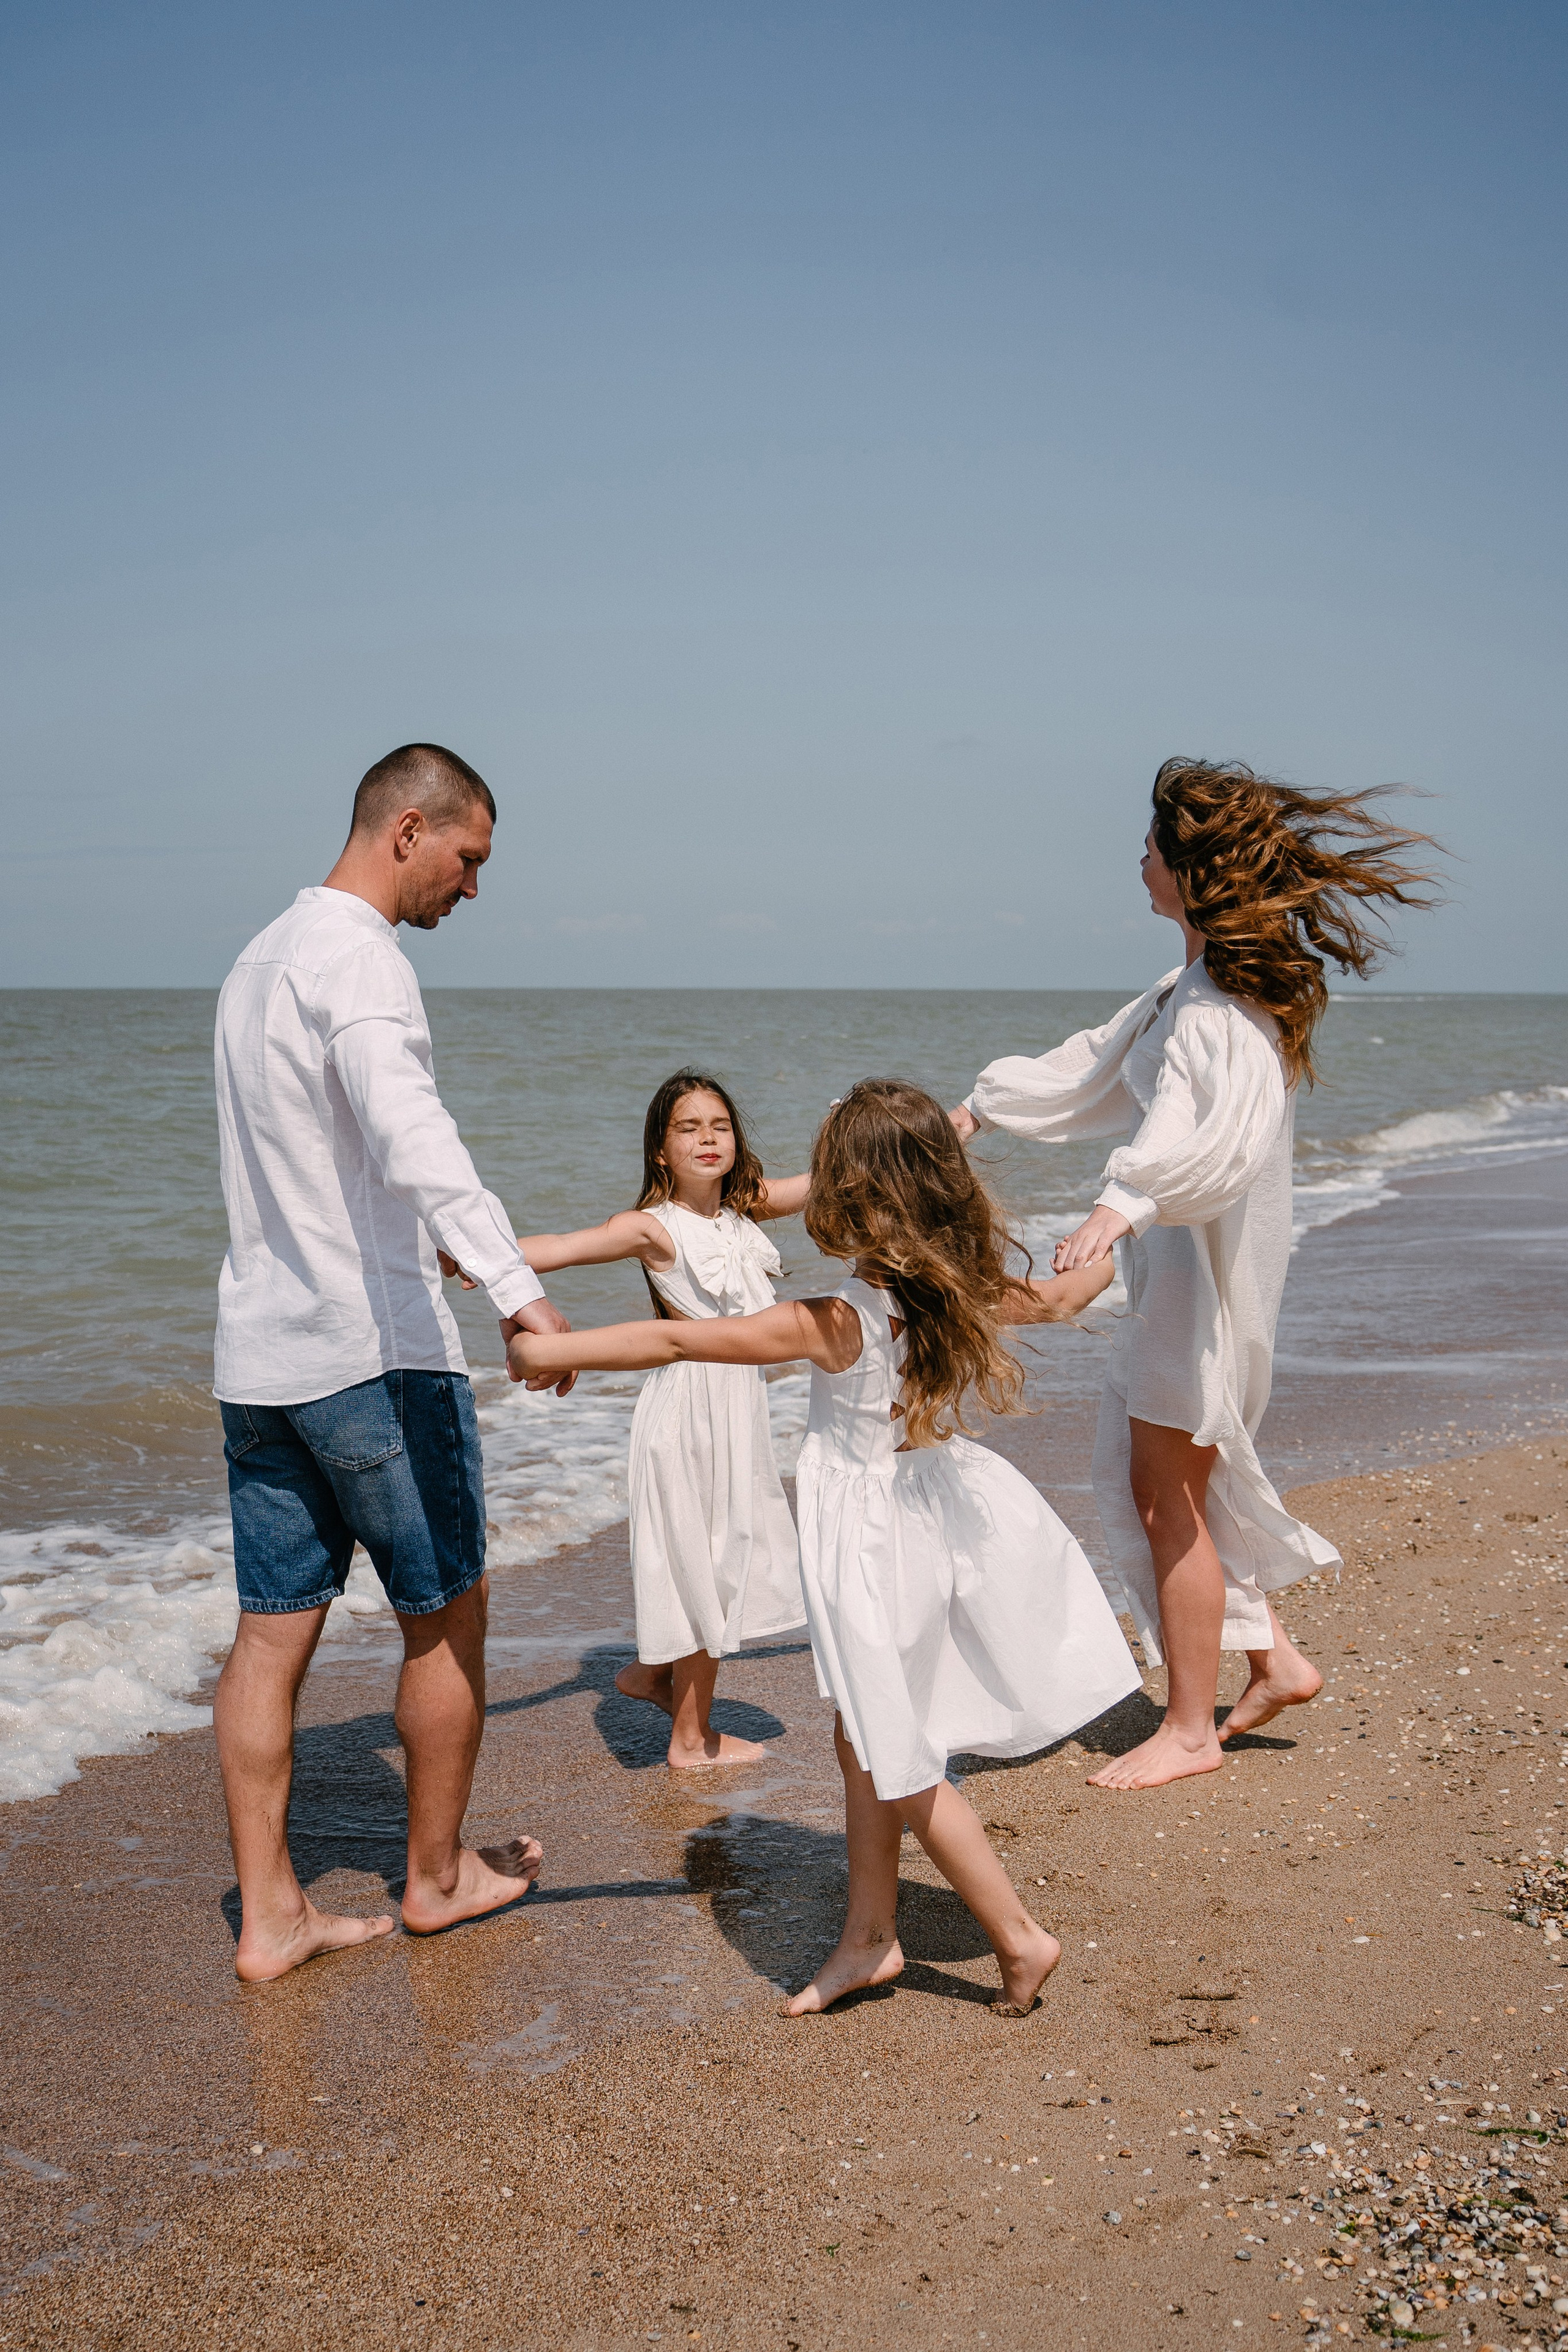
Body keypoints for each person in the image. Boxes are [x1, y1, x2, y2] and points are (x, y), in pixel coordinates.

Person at [506, 1079, 1141, 2016]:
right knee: (863, 1737)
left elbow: (678, 1340)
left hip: (870, 1542)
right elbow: (1060, 1296)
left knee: (896, 1749)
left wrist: (548, 1355)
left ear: (859, 1195)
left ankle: (1017, 1936)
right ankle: (869, 1940)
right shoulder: (950, 1290)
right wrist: (1104, 1249)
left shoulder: (838, 1318)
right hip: (934, 1515)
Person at [953, 758, 1441, 1791]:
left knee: (1164, 1492)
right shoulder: (1186, 989)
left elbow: (1193, 1137)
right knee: (1178, 1485)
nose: (1137, 859)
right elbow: (1098, 1060)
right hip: (1176, 1276)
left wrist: (1114, 1206)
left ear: (1188, 872)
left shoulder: (1219, 1012)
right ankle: (1276, 1662)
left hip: (1197, 1289)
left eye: (1151, 848)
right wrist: (979, 1108)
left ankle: (1187, 1727)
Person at [211, 743, 575, 1981]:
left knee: (270, 1636)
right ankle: (435, 1879)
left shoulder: (255, 962)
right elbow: (411, 1130)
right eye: (468, 860)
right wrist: (521, 1293)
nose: (471, 889)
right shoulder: (365, 960)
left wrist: (437, 1240)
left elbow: (322, 1157)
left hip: (260, 1360)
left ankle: (272, 1918)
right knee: (445, 1617)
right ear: (408, 829)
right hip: (373, 1358)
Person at [516, 1069, 810, 1768]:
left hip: (738, 1410)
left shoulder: (746, 1212)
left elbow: (839, 1176)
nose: (707, 1139)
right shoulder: (652, 1228)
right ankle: (690, 1741)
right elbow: (560, 1246)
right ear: (660, 1149)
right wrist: (464, 1251)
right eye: (688, 1128)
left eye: (720, 1126)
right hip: (689, 1412)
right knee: (705, 1563)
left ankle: (652, 1677)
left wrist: (967, 1118)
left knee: (722, 1556)